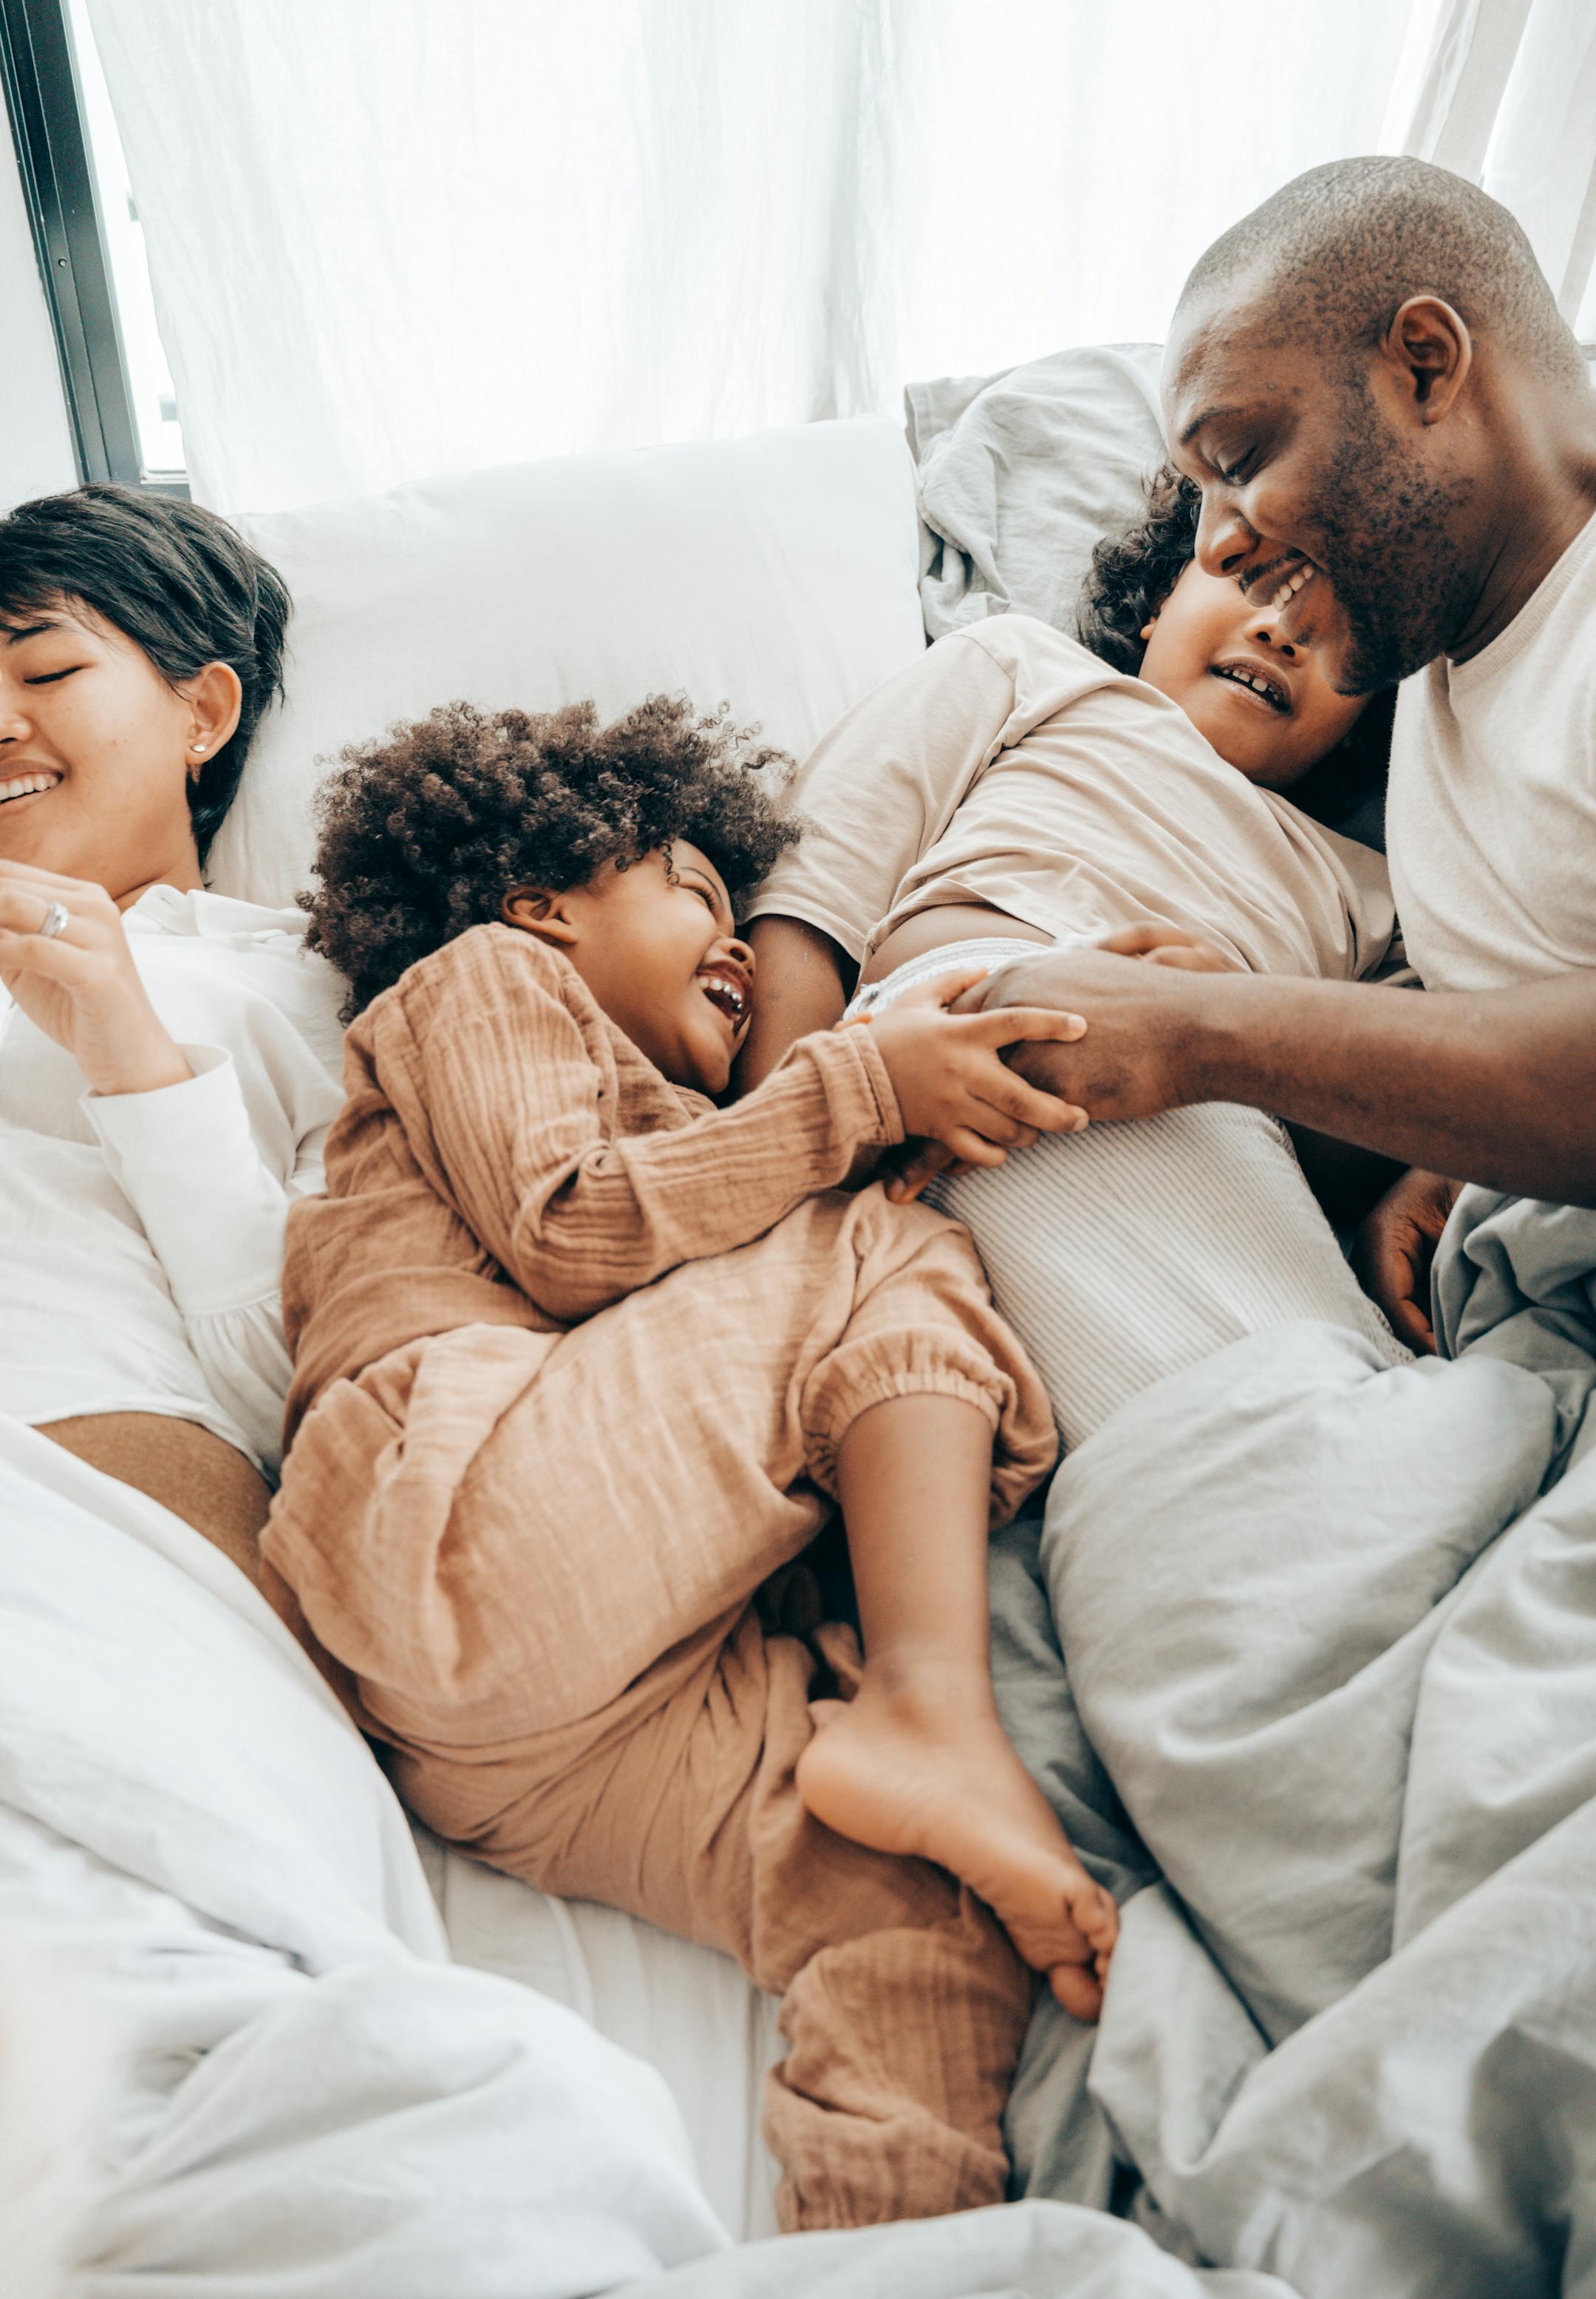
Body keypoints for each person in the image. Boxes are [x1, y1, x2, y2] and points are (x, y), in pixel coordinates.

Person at [263, 692, 1125, 2230]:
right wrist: (866, 1093)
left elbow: (703, 1309)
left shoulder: (712, 1142)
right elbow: (576, 1223)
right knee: (880, 1241)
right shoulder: (485, 978)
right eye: (688, 885)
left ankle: (895, 2253)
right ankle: (935, 1698)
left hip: (535, 1733)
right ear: (543, 896)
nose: (734, 935)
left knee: (915, 1910)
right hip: (446, 1506)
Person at [939, 156, 1596, 1347]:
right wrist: (1451, 1157)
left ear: (1426, 366)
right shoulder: (1438, 662)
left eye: (1237, 462)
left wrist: (1203, 1035)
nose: (1221, 546)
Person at [737, 469, 1407, 1454]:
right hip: (954, 1038)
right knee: (1267, 1429)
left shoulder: (1379, 893)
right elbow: (810, 894)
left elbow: (1369, 1126)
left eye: (1343, 631)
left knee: (1308, 1385)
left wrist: (1240, 1029)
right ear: (1159, 601)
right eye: (1254, 575)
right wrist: (784, 1156)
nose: (1283, 629)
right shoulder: (1030, 670)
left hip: (1215, 1114)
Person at [0, 484, 344, 1580]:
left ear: (202, 715)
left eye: (46, 672)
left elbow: (311, 1391)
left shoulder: (309, 985)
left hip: (83, 1454)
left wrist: (134, 1061)